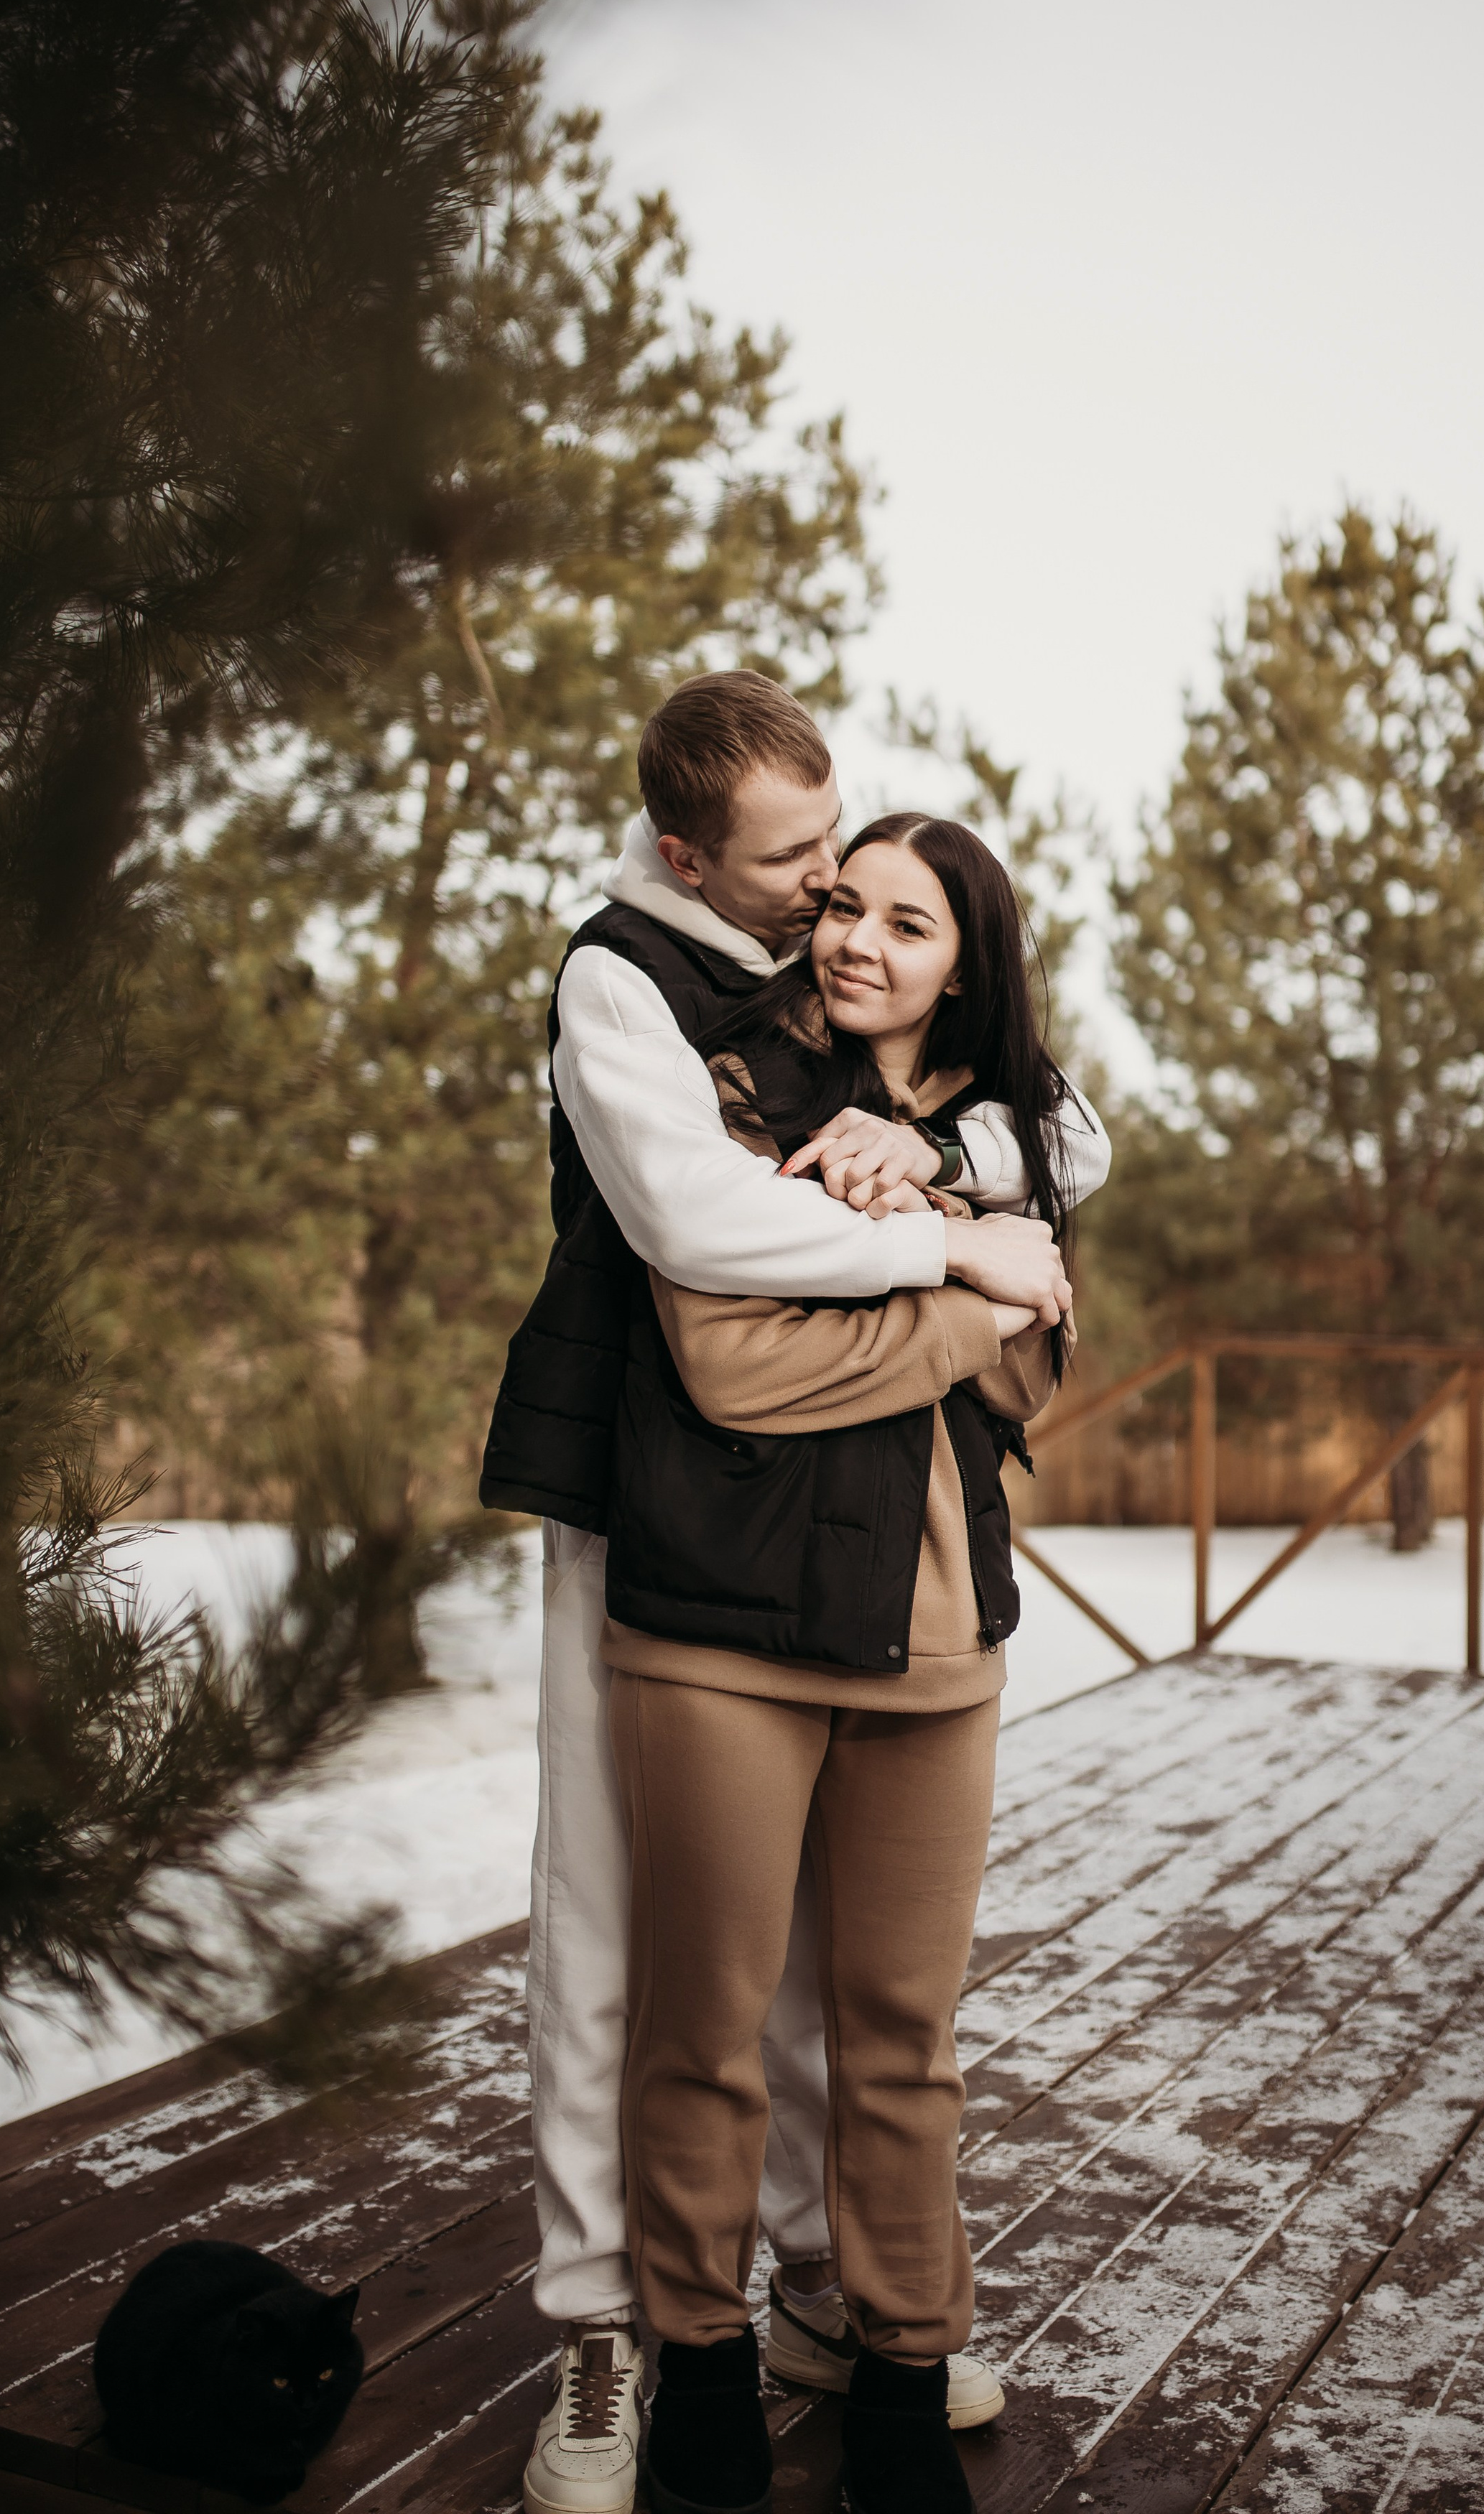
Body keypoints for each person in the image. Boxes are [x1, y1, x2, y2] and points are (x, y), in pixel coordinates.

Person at [480, 677, 1109, 2514]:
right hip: (638, 1497)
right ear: (690, 855)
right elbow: (699, 1235)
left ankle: (834, 2295)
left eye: (852, 864)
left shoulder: (794, 974)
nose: (832, 893)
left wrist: (957, 1160)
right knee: (624, 1939)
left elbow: (1053, 1135)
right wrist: (955, 1260)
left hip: (856, 1554)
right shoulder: (629, 979)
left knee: (844, 1993)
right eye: (802, 868)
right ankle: (611, 2324)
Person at [606, 813, 1072, 2514]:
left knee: (901, 2034)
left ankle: (897, 2368)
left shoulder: (1007, 1142)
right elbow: (734, 1366)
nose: (861, 941)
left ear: (968, 963)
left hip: (935, 1636)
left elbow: (1035, 1390)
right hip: (719, 1633)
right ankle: (702, 2375)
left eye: (910, 923)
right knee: (705, 2030)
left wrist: (954, 1218)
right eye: (843, 905)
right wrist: (967, 1285)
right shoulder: (727, 1089)